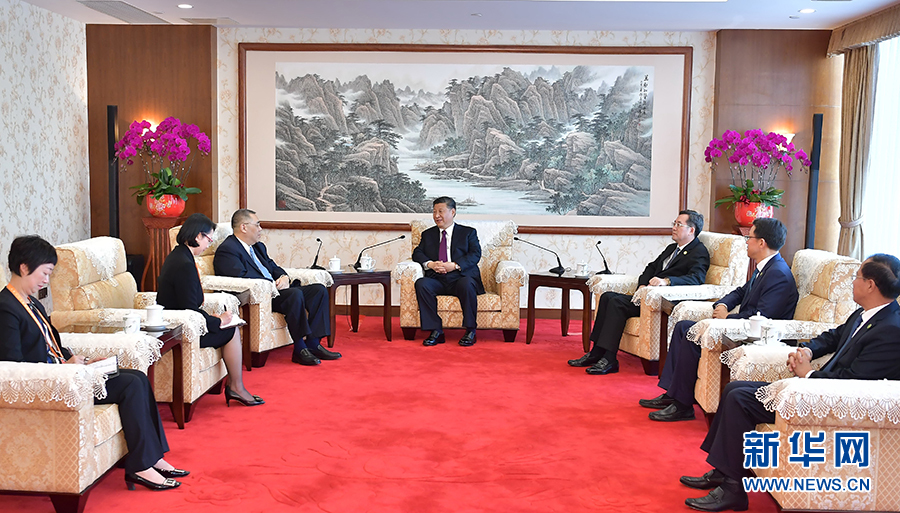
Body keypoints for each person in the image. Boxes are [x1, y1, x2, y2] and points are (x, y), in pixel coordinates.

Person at [680, 254, 900, 512]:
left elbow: (855, 382)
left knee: (739, 397)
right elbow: (833, 337)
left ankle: (733, 489)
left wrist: (808, 375)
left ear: (871, 285)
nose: (853, 282)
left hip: (829, 403)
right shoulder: (866, 314)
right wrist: (808, 350)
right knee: (734, 390)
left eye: (857, 277)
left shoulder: (891, 330)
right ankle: (724, 474)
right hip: (816, 390)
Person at [0, 236, 187, 491]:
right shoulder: (6, 309)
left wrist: (78, 360)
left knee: (137, 377)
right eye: (45, 273)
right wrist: (64, 368)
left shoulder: (30, 303)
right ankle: (140, 466)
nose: (46, 281)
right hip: (53, 383)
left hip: (67, 372)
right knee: (130, 385)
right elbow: (14, 365)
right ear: (24, 268)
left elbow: (50, 344)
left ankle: (153, 458)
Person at [640, 217, 798, 421]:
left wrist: (728, 317)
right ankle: (673, 395)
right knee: (683, 328)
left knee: (689, 333)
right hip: (741, 327)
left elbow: (762, 316)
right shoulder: (766, 266)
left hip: (757, 338)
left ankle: (682, 405)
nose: (746, 242)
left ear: (761, 243)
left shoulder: (778, 274)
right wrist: (722, 305)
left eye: (749, 238)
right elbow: (740, 292)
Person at [569, 210, 710, 375]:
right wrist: (642, 284)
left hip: (662, 302)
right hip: (646, 296)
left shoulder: (699, 252)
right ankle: (596, 353)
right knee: (607, 296)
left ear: (691, 230)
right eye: (674, 223)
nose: (673, 227)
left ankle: (609, 359)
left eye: (679, 224)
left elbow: (696, 278)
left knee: (617, 303)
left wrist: (667, 281)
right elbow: (651, 267)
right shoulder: (672, 248)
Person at [157, 213, 263, 406]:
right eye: (209, 239)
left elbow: (186, 303)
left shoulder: (179, 255)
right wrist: (218, 321)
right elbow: (188, 309)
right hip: (181, 329)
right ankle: (236, 387)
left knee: (227, 325)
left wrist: (211, 318)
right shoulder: (184, 264)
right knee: (230, 330)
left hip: (181, 321)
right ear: (198, 236)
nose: (209, 244)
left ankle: (235, 386)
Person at [213, 209, 338, 366]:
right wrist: (272, 285)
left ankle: (313, 344)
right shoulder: (228, 250)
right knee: (294, 295)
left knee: (318, 290)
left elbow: (273, 267)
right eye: (257, 225)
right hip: (259, 297)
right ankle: (300, 348)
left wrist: (283, 277)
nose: (260, 229)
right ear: (244, 227)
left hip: (276, 292)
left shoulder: (258, 247)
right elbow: (240, 277)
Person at [412, 196, 485, 347]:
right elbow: (417, 253)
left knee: (467, 284)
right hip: (437, 278)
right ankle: (436, 331)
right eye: (434, 212)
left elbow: (475, 254)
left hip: (460, 277)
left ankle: (470, 330)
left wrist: (455, 265)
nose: (436, 215)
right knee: (422, 284)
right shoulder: (428, 234)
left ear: (452, 212)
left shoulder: (468, 233)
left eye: (441, 211)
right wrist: (431, 264)